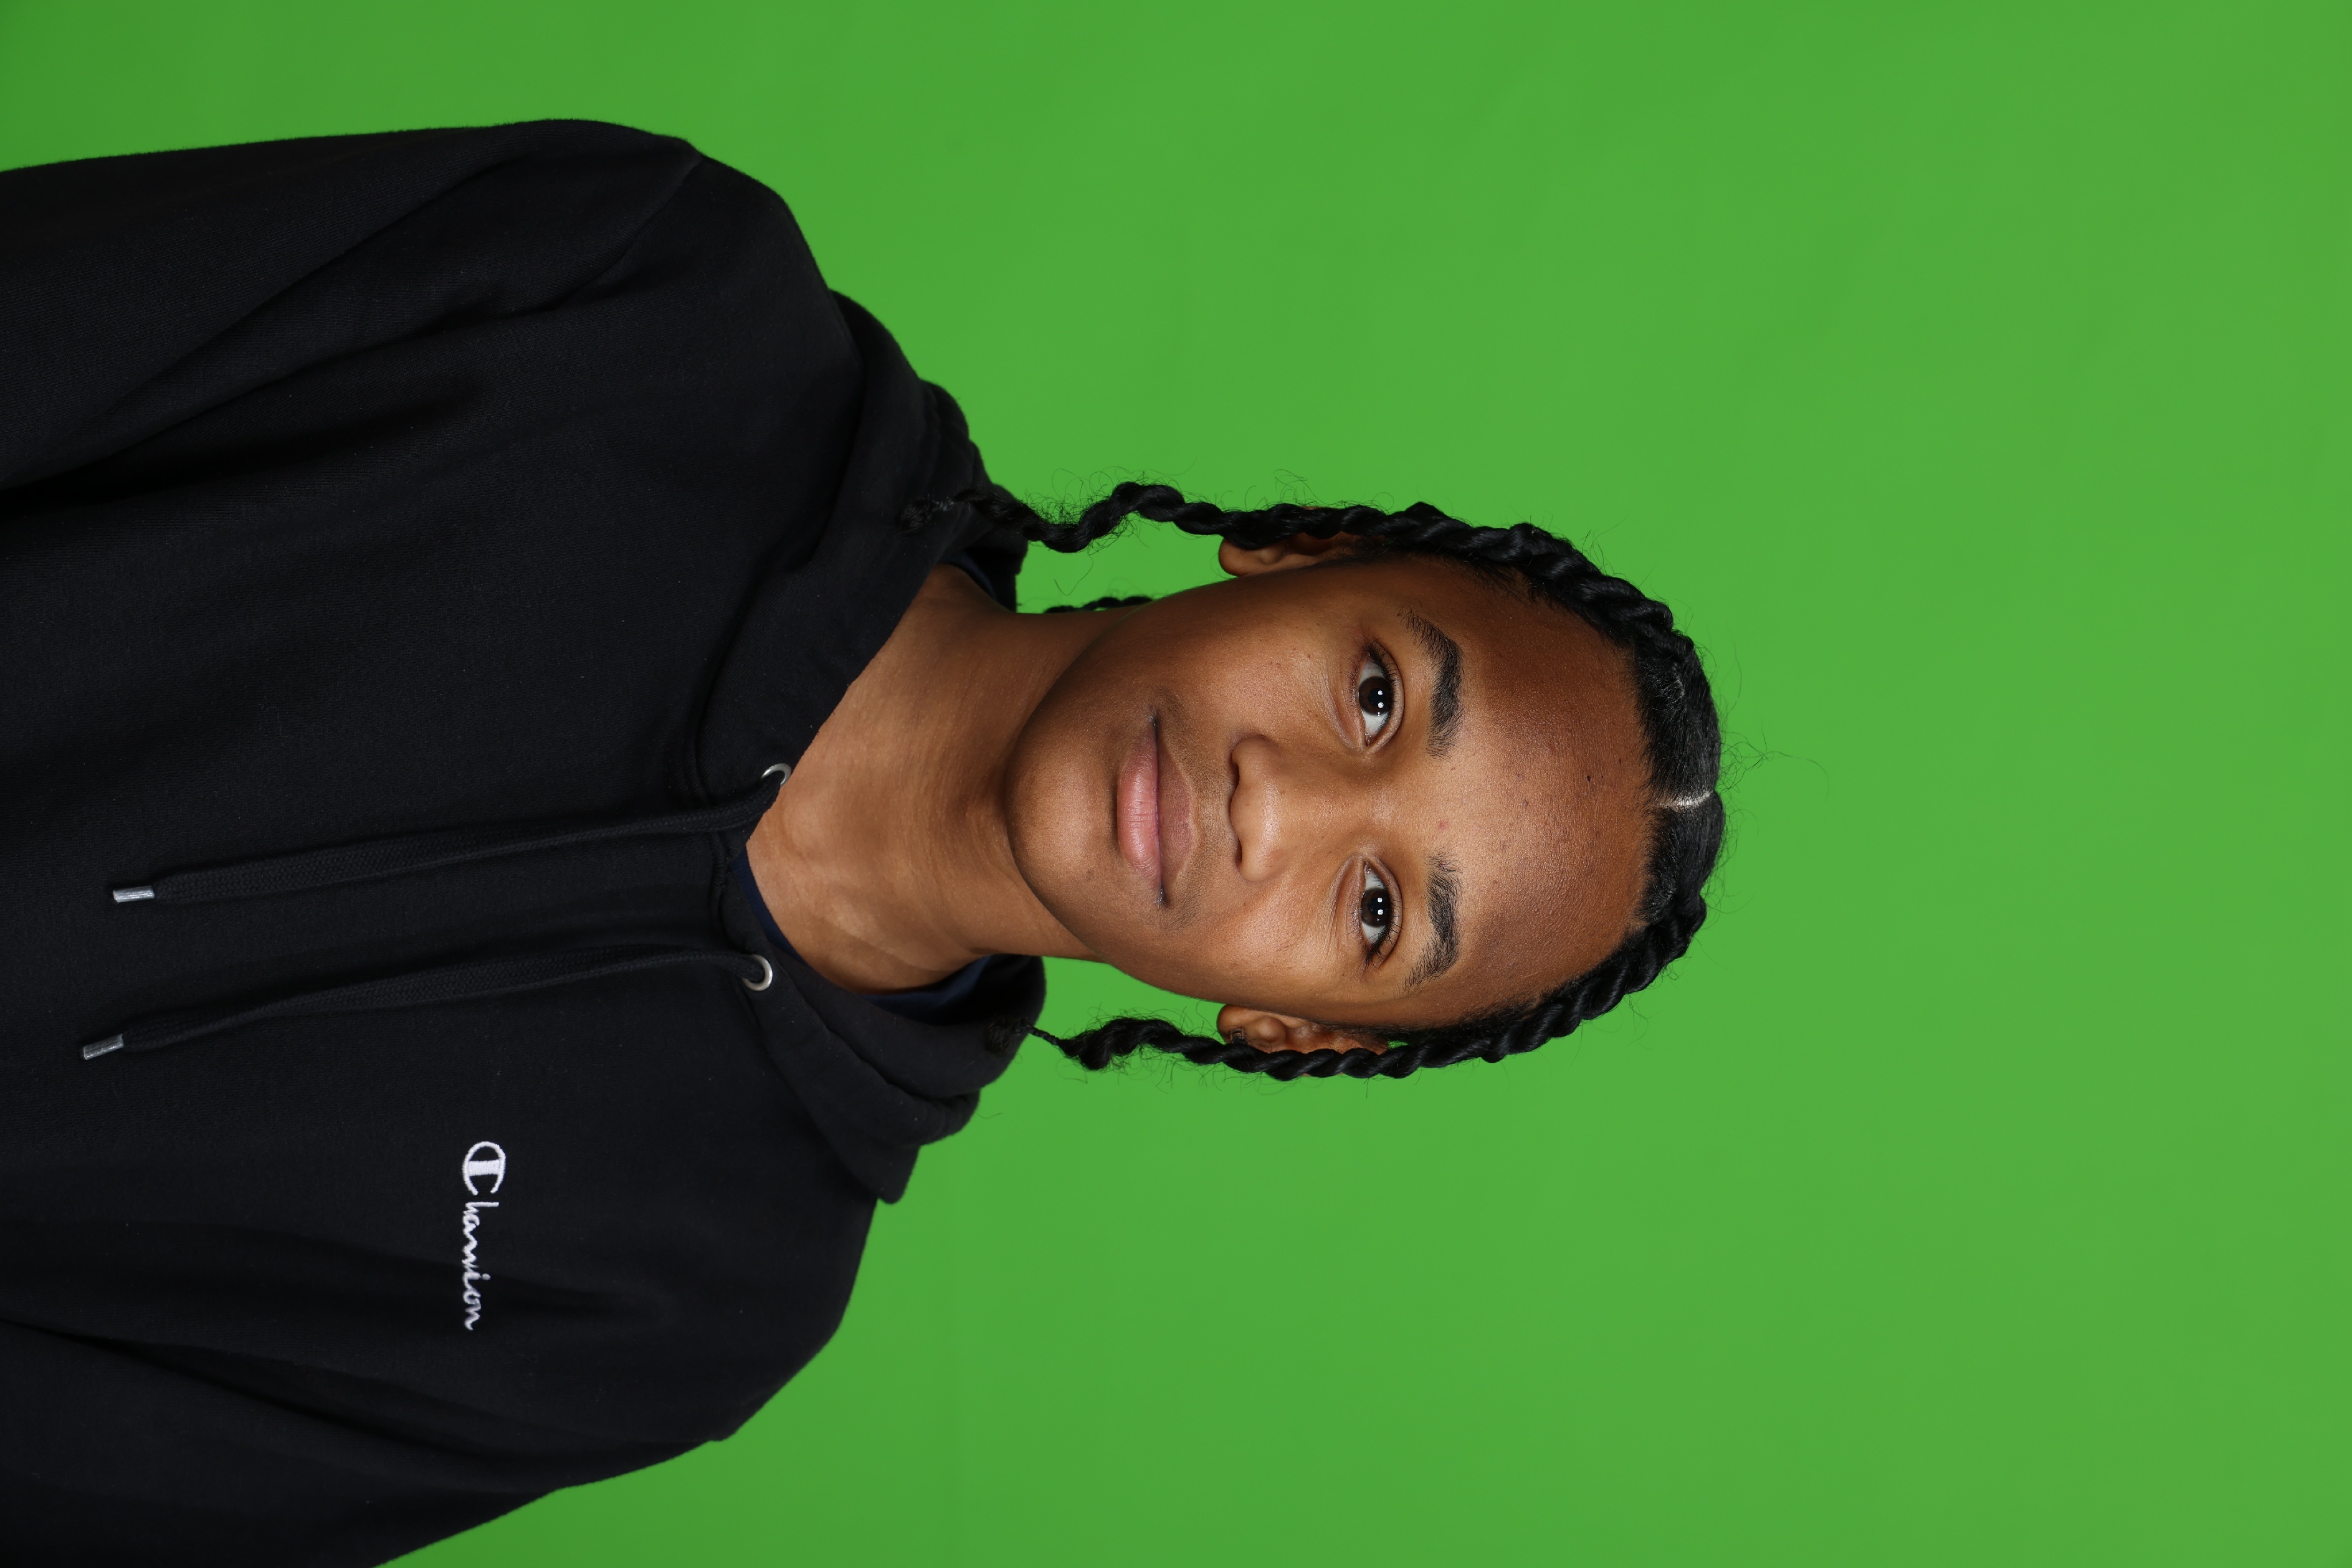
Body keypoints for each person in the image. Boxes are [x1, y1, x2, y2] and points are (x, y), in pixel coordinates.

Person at [0, 121, 1725, 1566]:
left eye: (1377, 910)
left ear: (1295, 1030)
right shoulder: (656, 299)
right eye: (1376, 697)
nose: (1279, 804)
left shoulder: (690, 1310)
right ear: (1305, 553)